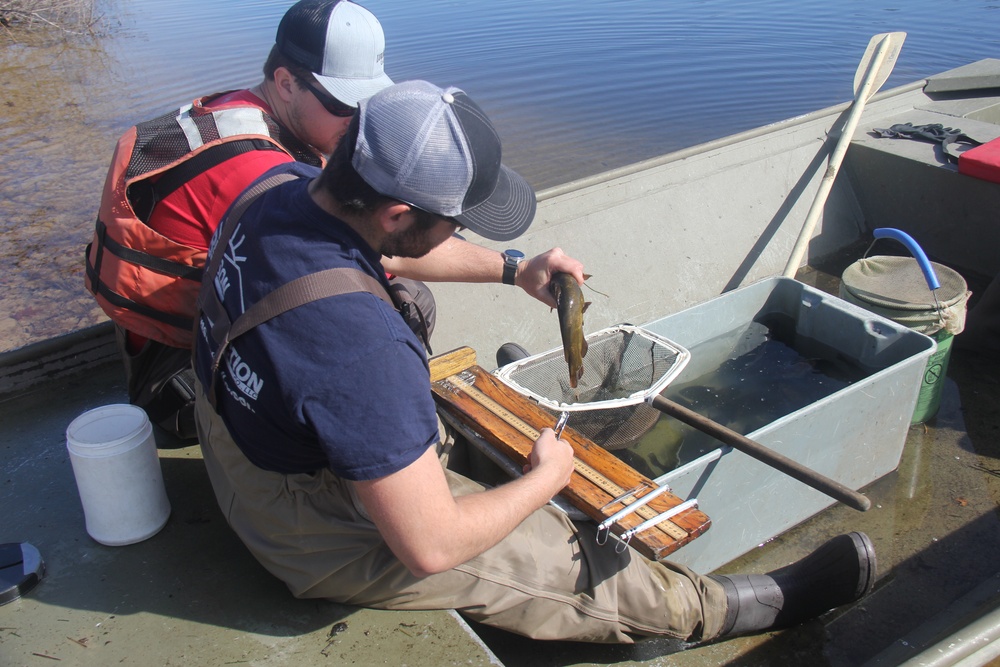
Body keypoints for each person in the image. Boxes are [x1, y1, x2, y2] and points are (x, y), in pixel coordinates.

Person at [191, 79, 877, 645]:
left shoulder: (276, 187)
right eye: (456, 220)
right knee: (562, 560)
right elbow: (429, 547)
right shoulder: (361, 346)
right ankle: (722, 609)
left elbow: (384, 250)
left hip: (232, 438)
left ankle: (442, 465)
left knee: (418, 370)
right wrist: (546, 480)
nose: (459, 231)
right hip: (295, 528)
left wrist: (513, 268)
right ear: (398, 210)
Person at [85, 0, 431, 444]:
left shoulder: (235, 110)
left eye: (367, 103)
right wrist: (509, 269)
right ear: (286, 83)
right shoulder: (256, 172)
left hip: (151, 346)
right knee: (402, 302)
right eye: (345, 105)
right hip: (177, 389)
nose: (358, 121)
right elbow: (380, 257)